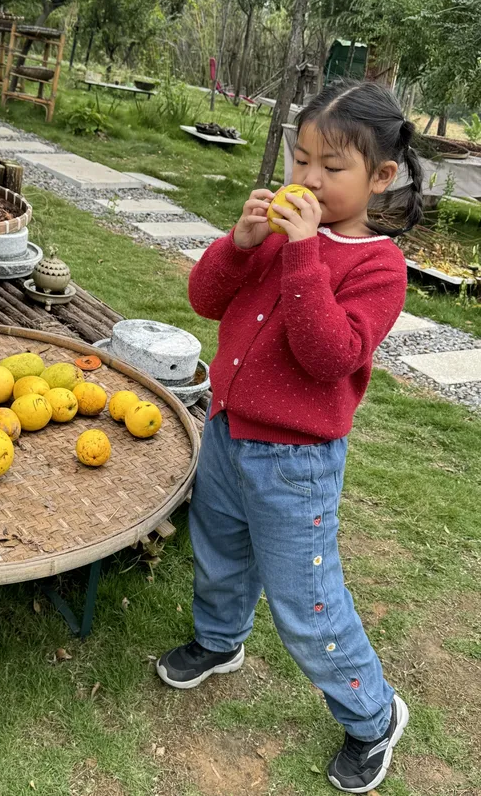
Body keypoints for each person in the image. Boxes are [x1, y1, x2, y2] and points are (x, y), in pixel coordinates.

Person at [156, 80, 423, 793]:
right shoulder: (274, 237)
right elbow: (207, 298)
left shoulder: (377, 266)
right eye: (299, 158)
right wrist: (240, 245)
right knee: (218, 553)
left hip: (295, 462)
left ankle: (373, 715)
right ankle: (219, 641)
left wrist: (302, 253)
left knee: (306, 602)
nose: (307, 178)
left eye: (331, 167)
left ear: (381, 177)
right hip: (228, 434)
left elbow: (328, 353)